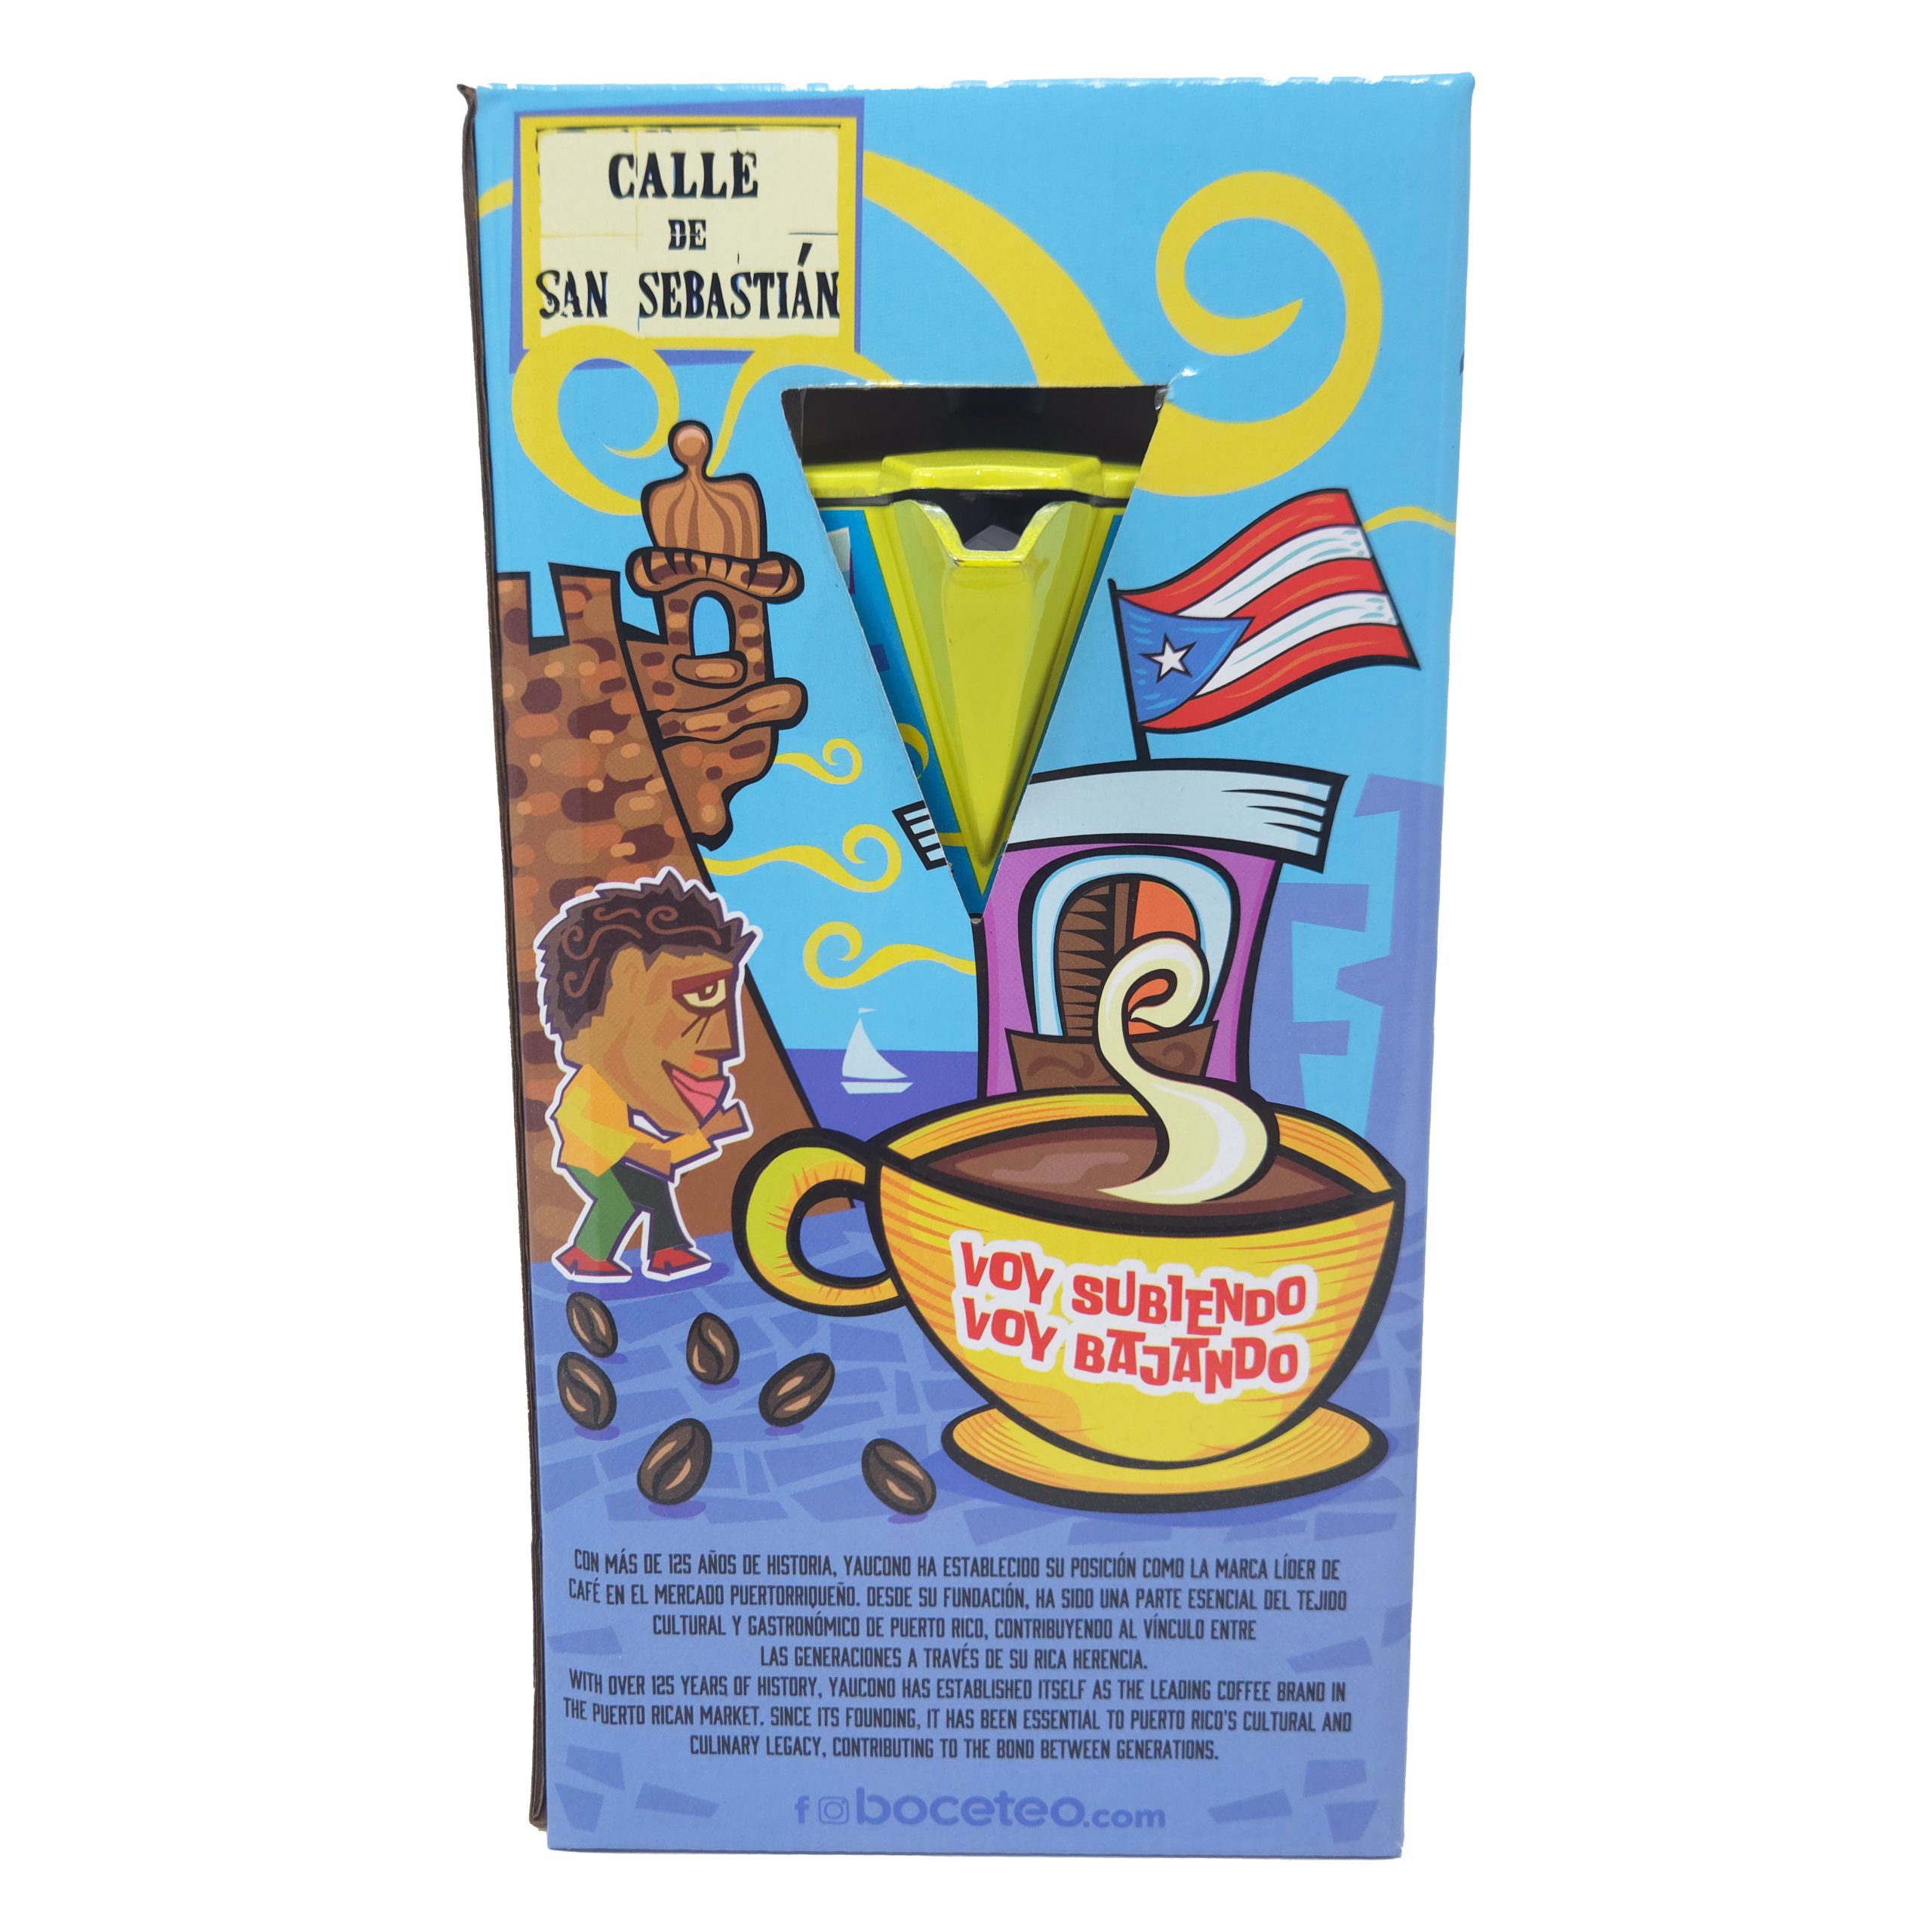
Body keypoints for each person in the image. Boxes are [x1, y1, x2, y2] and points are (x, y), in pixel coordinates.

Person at [534, 872, 755, 1282]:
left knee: (655, 1192)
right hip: (594, 1162)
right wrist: (707, 1135)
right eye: (701, 996)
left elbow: (650, 1156)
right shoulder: (588, 1098)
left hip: (615, 1156)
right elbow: (648, 1156)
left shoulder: (607, 1090)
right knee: (621, 1202)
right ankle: (589, 1254)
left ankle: (668, 1251)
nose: (727, 1045)